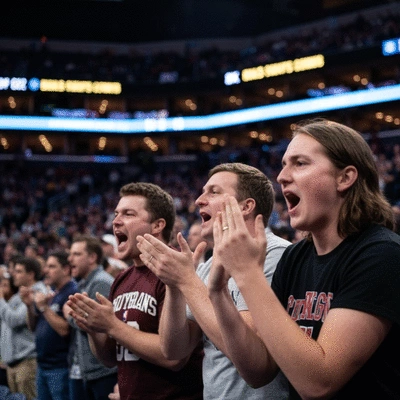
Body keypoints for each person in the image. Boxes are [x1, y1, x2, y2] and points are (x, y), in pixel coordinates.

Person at [209, 119, 400, 398]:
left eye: (300, 163)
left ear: (345, 178)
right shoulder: (295, 257)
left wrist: (248, 274)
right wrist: (218, 293)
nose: (282, 177)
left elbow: (318, 383)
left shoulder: (381, 255)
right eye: (284, 164)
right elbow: (257, 371)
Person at [137, 163, 291, 399]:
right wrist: (174, 284)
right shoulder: (208, 265)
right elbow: (174, 349)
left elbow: (247, 356)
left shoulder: (276, 255)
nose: (199, 200)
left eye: (214, 192)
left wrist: (187, 280)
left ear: (246, 206)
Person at [67, 182, 203, 400]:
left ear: (157, 225)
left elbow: (175, 358)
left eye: (128, 214)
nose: (116, 221)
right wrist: (94, 327)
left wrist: (112, 325)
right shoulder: (122, 278)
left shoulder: (179, 270)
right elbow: (111, 358)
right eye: (116, 213)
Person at [64, 235, 117, 400]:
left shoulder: (101, 282)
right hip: (92, 369)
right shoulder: (85, 282)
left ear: (92, 257)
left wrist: (68, 312)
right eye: (71, 253)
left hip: (103, 371)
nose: (70, 258)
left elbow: (95, 323)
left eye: (76, 254)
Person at [21, 250, 78, 400]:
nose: (46, 270)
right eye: (46, 266)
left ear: (66, 269)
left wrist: (44, 308)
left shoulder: (72, 292)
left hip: (60, 367)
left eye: (52, 266)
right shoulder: (51, 293)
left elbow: (65, 329)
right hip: (43, 366)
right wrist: (29, 306)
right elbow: (33, 327)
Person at [0, 257, 47, 400]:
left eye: (19, 271)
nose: (14, 274)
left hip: (26, 363)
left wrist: (0, 299)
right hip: (13, 364)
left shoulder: (37, 292)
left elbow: (14, 320)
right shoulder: (17, 296)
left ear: (31, 274)